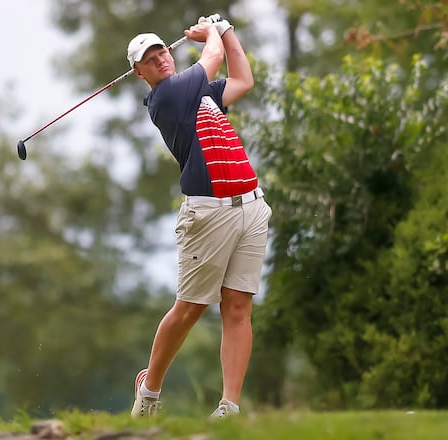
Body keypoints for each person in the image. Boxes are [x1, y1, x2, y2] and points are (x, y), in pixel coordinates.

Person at [126, 13, 272, 419]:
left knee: (238, 307)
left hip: (249, 204)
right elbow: (211, 59)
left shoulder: (200, 95)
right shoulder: (167, 97)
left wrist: (227, 31)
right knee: (190, 307)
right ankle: (149, 390)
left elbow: (243, 79)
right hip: (208, 214)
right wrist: (212, 35)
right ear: (139, 73)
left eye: (162, 51)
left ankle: (229, 407)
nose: (160, 59)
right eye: (149, 59)